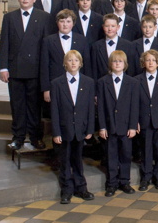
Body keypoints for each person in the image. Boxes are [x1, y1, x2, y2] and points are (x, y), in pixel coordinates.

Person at [0, 0, 51, 150]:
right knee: (17, 105)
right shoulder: (9, 17)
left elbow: (46, 46)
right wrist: (3, 68)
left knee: (35, 106)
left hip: (35, 69)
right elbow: (4, 43)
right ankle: (18, 137)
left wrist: (45, 71)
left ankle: (36, 137)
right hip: (15, 70)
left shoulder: (44, 17)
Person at [50, 50, 95, 204]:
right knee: (65, 161)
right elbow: (54, 109)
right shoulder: (56, 83)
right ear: (65, 64)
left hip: (81, 129)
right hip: (64, 129)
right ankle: (67, 190)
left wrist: (90, 129)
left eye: (76, 60)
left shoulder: (88, 82)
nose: (73, 63)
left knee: (78, 160)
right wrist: (56, 131)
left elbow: (90, 108)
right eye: (70, 60)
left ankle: (81, 188)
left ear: (81, 63)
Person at [97, 50, 138, 197]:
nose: (117, 64)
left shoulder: (132, 82)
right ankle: (111, 184)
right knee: (111, 155)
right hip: (109, 126)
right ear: (110, 64)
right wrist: (102, 126)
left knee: (126, 155)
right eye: (114, 61)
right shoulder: (102, 82)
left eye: (120, 61)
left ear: (125, 64)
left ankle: (124, 182)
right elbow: (100, 106)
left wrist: (133, 126)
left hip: (126, 126)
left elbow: (135, 107)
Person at [136, 50, 158, 191]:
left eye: (153, 60)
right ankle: (146, 178)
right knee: (146, 151)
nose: (150, 63)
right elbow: (135, 103)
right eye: (148, 60)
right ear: (143, 63)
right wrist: (135, 121)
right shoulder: (137, 80)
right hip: (144, 121)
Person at [41, 9, 91, 102]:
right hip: (55, 84)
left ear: (73, 23)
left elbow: (87, 65)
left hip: (77, 83)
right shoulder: (48, 41)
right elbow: (44, 66)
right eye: (62, 21)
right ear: (57, 23)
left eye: (68, 21)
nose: (65, 24)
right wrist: (46, 89)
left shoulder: (82, 40)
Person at [90, 14, 135, 80]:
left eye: (113, 26)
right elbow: (94, 70)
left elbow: (130, 70)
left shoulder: (128, 45)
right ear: (103, 27)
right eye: (107, 26)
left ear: (118, 27)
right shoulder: (96, 46)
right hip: (102, 84)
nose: (110, 29)